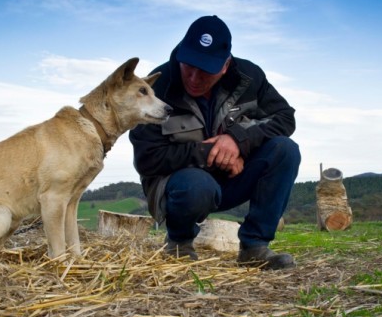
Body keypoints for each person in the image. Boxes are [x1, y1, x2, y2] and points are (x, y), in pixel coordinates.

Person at [129, 15, 301, 270]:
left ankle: (254, 247)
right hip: (182, 187)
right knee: (196, 185)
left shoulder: (249, 77)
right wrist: (211, 152)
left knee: (285, 150)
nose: (194, 78)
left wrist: (238, 141)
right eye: (189, 66)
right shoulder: (156, 87)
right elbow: (147, 159)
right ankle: (179, 243)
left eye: (205, 71)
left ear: (225, 65)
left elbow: (285, 118)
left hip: (234, 178)